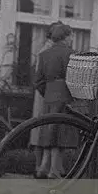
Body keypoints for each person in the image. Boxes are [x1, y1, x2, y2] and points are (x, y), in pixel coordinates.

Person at [33, 21, 75, 179]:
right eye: (71, 36)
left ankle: (44, 167)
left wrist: (48, 93)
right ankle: (54, 171)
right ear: (65, 37)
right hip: (64, 94)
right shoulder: (70, 53)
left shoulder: (44, 55)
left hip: (49, 96)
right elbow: (73, 78)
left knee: (48, 133)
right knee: (60, 135)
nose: (72, 39)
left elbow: (38, 82)